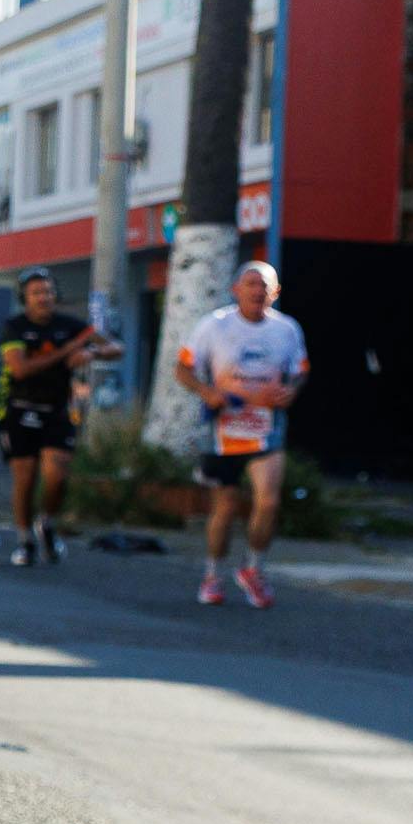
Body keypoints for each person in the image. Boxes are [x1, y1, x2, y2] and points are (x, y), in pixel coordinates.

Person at [175, 260, 309, 609]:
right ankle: (213, 574)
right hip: (226, 427)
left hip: (266, 426)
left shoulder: (287, 330)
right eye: (250, 283)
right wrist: (207, 392)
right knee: (226, 507)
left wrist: (292, 390)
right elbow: (183, 368)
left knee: (268, 500)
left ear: (275, 293)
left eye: (265, 285)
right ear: (236, 290)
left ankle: (254, 569)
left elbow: (299, 372)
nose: (257, 290)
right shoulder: (213, 326)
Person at [0, 268, 115, 566]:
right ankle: (24, 540)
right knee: (25, 476)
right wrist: (67, 352)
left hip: (57, 408)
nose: (43, 298)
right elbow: (20, 368)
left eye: (48, 292)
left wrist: (91, 354)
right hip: (19, 408)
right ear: (25, 298)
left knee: (57, 475)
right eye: (36, 293)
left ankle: (46, 522)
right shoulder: (14, 327)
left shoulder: (71, 326)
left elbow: (114, 346)